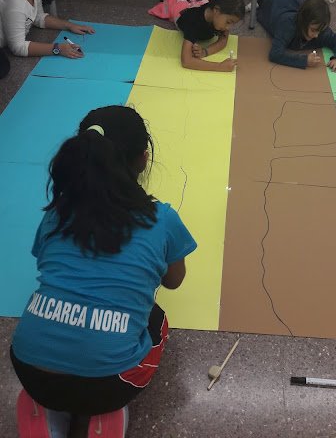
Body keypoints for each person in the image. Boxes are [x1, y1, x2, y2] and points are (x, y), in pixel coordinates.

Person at [10, 105, 197, 438]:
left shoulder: (56, 212)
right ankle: (104, 415)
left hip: (28, 369)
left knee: (54, 366)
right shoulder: (163, 219)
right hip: (109, 385)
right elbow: (174, 281)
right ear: (143, 159)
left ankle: (44, 411)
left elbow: (45, 261)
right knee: (156, 321)